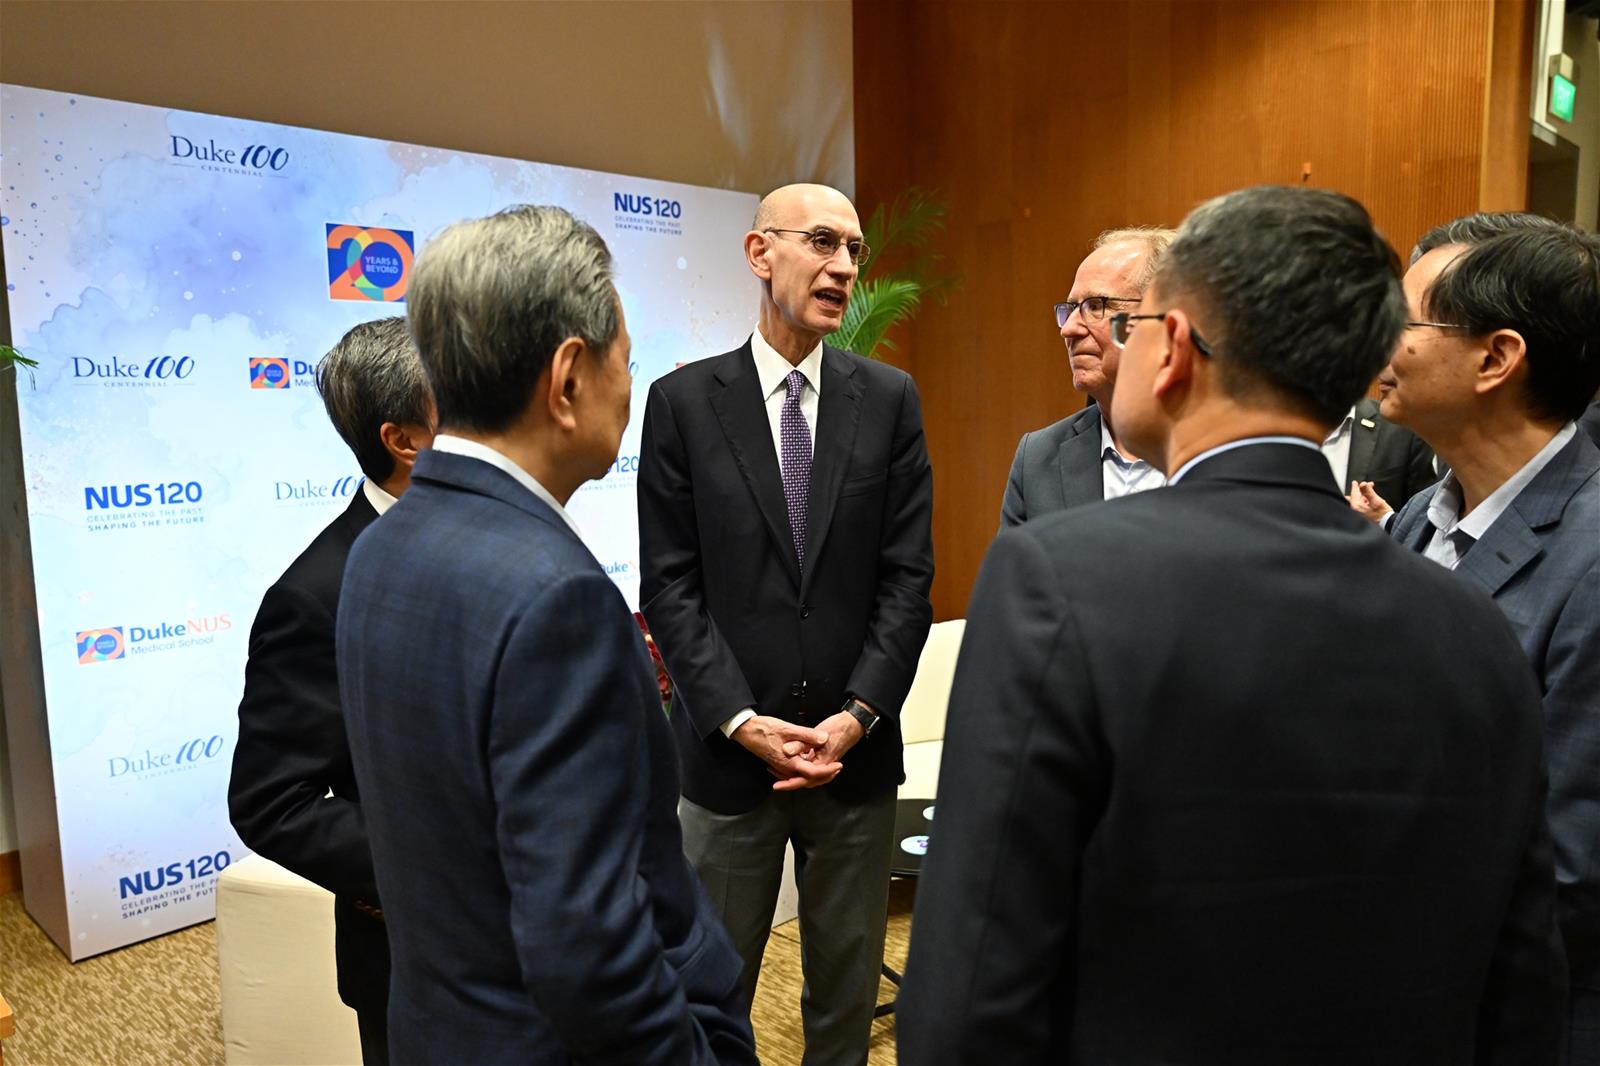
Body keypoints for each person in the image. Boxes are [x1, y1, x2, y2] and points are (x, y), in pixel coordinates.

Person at [898, 186, 1566, 1065]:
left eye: (1130, 325)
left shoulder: (1059, 582)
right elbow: (1521, 983)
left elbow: (974, 973)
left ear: (1172, 349)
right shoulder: (1471, 622)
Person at [336, 205, 757, 1066]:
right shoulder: (555, 599)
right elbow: (589, 951)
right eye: (626, 363)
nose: (629, 389)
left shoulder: (380, 545)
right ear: (567, 380)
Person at [638, 182, 934, 1064]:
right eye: (821, 241)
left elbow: (907, 580)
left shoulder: (888, 399)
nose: (844, 266)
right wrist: (738, 719)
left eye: (855, 250)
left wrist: (857, 716)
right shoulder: (684, 405)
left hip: (855, 758)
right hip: (731, 764)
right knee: (711, 990)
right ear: (760, 253)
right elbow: (671, 585)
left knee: (844, 998)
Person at [1380, 225, 1600, 1064]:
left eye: (1404, 322)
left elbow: (1570, 873)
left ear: (1495, 358)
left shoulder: (1590, 555)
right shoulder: (1414, 522)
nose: (1377, 341)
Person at [228, 316, 433, 1066]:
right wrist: (432, 874)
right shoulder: (317, 594)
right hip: (418, 960)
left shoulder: (509, 536)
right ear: (404, 440)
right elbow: (270, 800)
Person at [1000, 227, 1174, 526]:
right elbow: (1016, 573)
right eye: (1070, 310)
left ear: (1164, 318)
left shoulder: (1224, 449)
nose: (1068, 329)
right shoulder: (1039, 459)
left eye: (1096, 306)